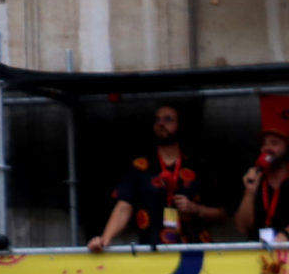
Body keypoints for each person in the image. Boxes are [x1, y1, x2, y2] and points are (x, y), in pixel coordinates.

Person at [89, 106, 220, 252]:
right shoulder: (139, 166)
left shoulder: (197, 165)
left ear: (181, 125)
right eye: (157, 120)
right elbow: (123, 207)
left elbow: (222, 214)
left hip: (197, 254)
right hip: (152, 253)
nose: (160, 124)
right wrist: (105, 240)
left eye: (168, 119)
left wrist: (196, 209)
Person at [235, 129, 289, 243]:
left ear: (288, 150)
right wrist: (249, 192)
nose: (267, 148)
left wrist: (282, 237)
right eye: (264, 144)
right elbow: (242, 227)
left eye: (274, 143)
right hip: (255, 253)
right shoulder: (253, 183)